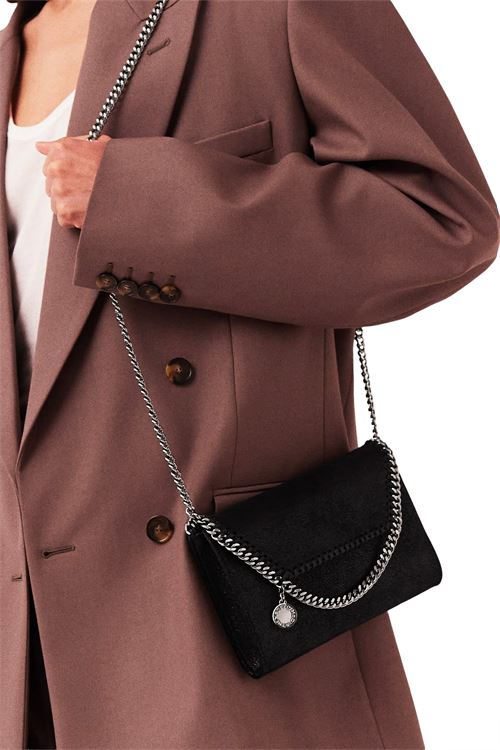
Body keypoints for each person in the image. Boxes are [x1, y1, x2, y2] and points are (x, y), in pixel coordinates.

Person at [0, 0, 498, 748]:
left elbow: (445, 221)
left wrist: (148, 203)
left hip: (225, 624)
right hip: (31, 651)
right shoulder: (10, 50)